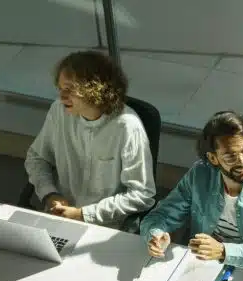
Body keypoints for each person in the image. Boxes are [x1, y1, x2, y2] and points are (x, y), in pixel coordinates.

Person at [141, 111, 243, 269]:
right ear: (213, 158)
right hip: (205, 264)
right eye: (230, 156)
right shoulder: (200, 175)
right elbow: (161, 216)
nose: (242, 162)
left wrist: (224, 251)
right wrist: (156, 234)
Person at [23, 50, 156, 230]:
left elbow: (142, 194)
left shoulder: (127, 126)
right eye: (61, 89)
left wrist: (83, 214)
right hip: (59, 218)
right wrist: (49, 194)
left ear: (95, 89)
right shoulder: (58, 111)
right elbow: (37, 157)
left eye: (69, 89)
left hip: (103, 227)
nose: (62, 97)